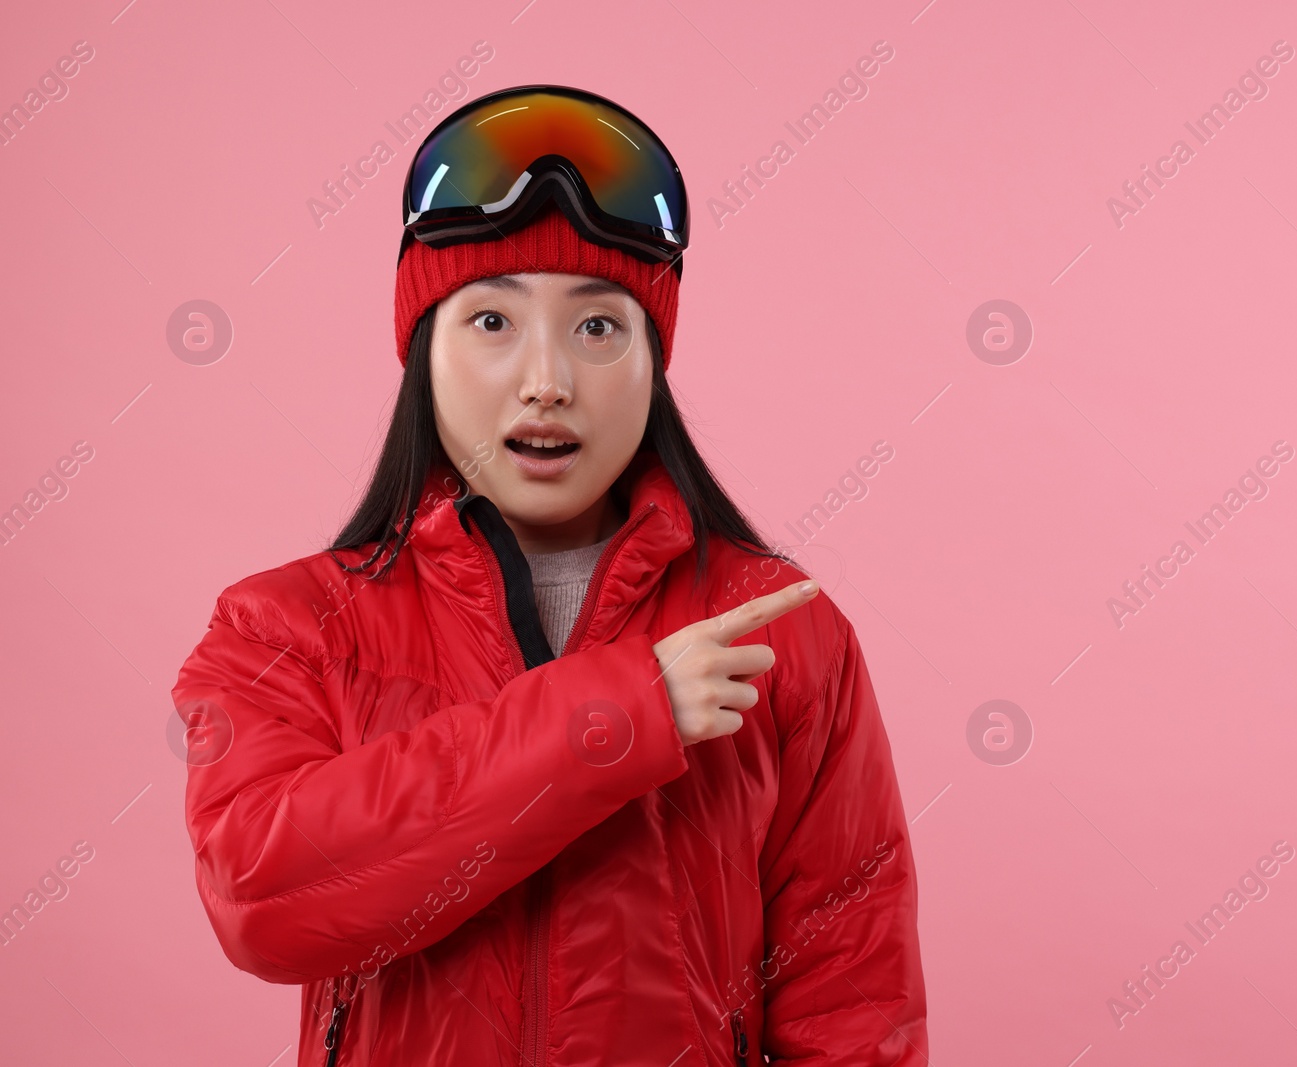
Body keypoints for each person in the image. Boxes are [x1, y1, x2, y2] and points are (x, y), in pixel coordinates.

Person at [171, 84, 928, 1066]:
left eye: (598, 327)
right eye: (491, 323)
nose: (547, 379)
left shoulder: (775, 628)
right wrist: (615, 713)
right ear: (423, 353)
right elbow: (265, 898)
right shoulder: (286, 624)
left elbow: (854, 996)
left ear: (653, 359)